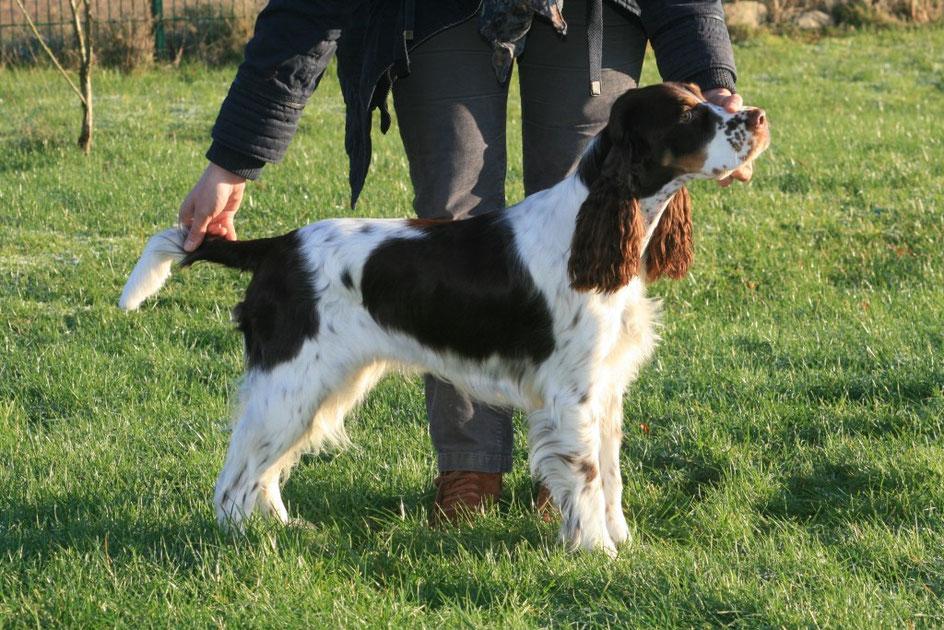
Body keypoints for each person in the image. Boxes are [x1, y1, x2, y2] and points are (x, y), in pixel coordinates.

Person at [177, 0, 754, 525]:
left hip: (590, 17)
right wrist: (235, 156)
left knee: (578, 224)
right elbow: (306, 12)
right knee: (453, 207)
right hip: (434, 16)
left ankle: (578, 491)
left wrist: (713, 83)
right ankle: (470, 469)